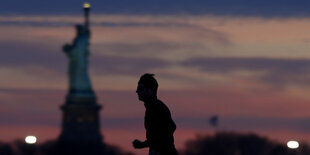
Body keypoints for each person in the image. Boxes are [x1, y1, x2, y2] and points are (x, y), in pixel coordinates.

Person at [132, 73, 178, 155]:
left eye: (140, 88)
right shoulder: (154, 107)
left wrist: (156, 149)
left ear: (150, 90)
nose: (137, 91)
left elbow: (170, 128)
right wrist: (143, 144)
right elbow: (158, 135)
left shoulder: (155, 107)